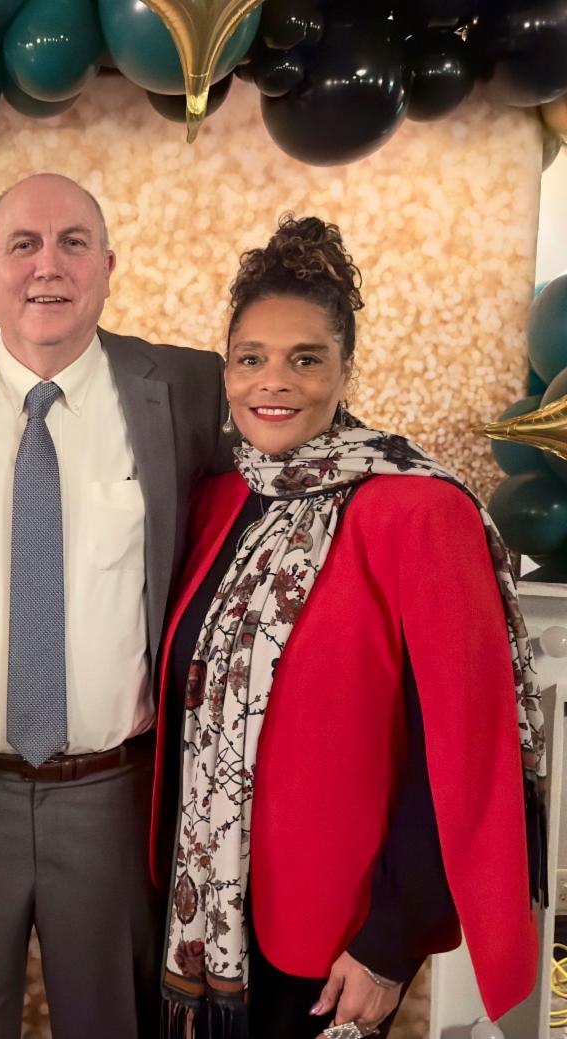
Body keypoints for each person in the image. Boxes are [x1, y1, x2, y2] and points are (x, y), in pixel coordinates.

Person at [152, 214, 545, 1039]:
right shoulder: (220, 499)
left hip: (335, 935)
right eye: (251, 358)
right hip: (203, 917)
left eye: (306, 359)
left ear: (345, 369)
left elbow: (460, 744)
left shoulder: (419, 512)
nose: (274, 381)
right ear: (227, 370)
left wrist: (391, 942)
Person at [0, 172, 230, 1039]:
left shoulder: (188, 389)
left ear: (107, 266)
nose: (48, 266)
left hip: (116, 800)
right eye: (23, 245)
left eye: (73, 243)